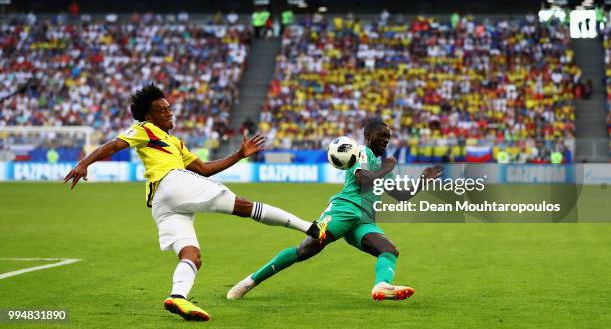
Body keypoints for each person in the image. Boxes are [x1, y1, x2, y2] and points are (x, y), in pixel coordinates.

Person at [64, 84, 323, 321]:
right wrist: (84, 163)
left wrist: (239, 155)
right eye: (162, 109)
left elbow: (204, 168)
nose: (169, 112)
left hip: (163, 204)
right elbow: (114, 145)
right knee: (244, 206)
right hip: (172, 183)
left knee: (192, 255)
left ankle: (178, 297)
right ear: (150, 116)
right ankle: (309, 227)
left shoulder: (175, 143)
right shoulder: (145, 129)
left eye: (169, 107)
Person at [227, 119, 442, 301]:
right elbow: (362, 180)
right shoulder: (362, 152)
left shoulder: (381, 161)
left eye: (388, 136)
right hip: (343, 211)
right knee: (305, 251)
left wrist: (423, 180)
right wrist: (387, 167)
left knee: (389, 250)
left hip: (364, 220)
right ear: (367, 135)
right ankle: (250, 281)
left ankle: (381, 286)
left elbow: (400, 194)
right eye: (382, 135)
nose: (386, 139)